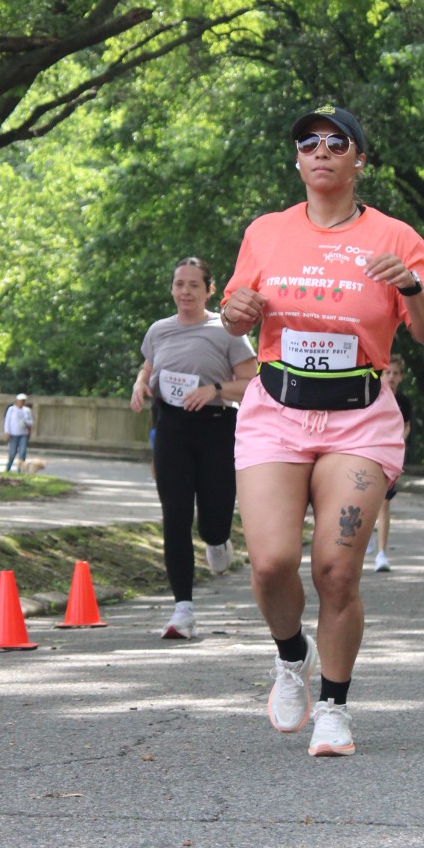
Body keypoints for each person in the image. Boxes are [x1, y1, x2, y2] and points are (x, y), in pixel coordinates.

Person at [221, 105, 424, 757]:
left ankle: (334, 707)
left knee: (336, 569)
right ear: (298, 161)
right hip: (276, 411)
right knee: (270, 564)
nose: (320, 150)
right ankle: (290, 653)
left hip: (358, 419)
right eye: (308, 142)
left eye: (336, 141)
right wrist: (234, 311)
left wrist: (411, 288)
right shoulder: (266, 232)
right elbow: (235, 315)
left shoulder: (396, 236)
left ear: (360, 160)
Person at [130, 256, 258, 640]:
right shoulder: (159, 330)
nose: (185, 291)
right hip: (172, 428)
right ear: (172, 288)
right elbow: (148, 367)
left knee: (213, 520)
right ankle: (182, 610)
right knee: (175, 515)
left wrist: (214, 390)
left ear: (209, 290)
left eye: (193, 285)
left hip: (217, 427)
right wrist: (140, 384)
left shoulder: (227, 330)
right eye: (179, 284)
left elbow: (251, 383)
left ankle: (217, 540)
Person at [372, 354, 413, 573]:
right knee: (366, 501)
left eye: (396, 373)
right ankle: (366, 535)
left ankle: (381, 553)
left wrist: (399, 441)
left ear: (401, 377)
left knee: (385, 502)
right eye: (388, 372)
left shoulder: (403, 402)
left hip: (391, 455)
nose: (391, 377)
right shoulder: (371, 396)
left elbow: (406, 425)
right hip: (369, 452)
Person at [4, 393, 35, 471]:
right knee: (12, 453)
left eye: (23, 401)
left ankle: (20, 470)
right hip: (13, 434)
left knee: (22, 452)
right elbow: (7, 421)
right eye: (21, 401)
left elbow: (31, 421)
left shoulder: (27, 410)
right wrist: (7, 432)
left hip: (23, 434)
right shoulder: (11, 409)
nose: (22, 402)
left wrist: (26, 423)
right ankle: (8, 468)